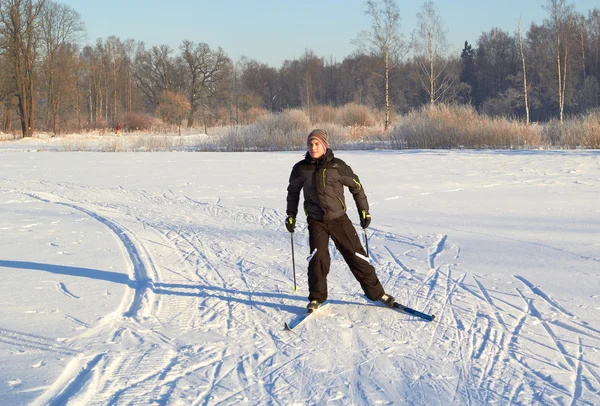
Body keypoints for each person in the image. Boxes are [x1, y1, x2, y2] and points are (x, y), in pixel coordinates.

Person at [285, 129, 395, 312]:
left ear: (324, 145)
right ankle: (316, 298)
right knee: (318, 258)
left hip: (339, 220)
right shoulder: (301, 168)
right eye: (310, 144)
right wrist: (291, 215)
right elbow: (293, 192)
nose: (313, 147)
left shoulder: (337, 166)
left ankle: (377, 294)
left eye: (317, 144)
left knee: (356, 256)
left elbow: (356, 187)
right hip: (316, 221)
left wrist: (364, 211)